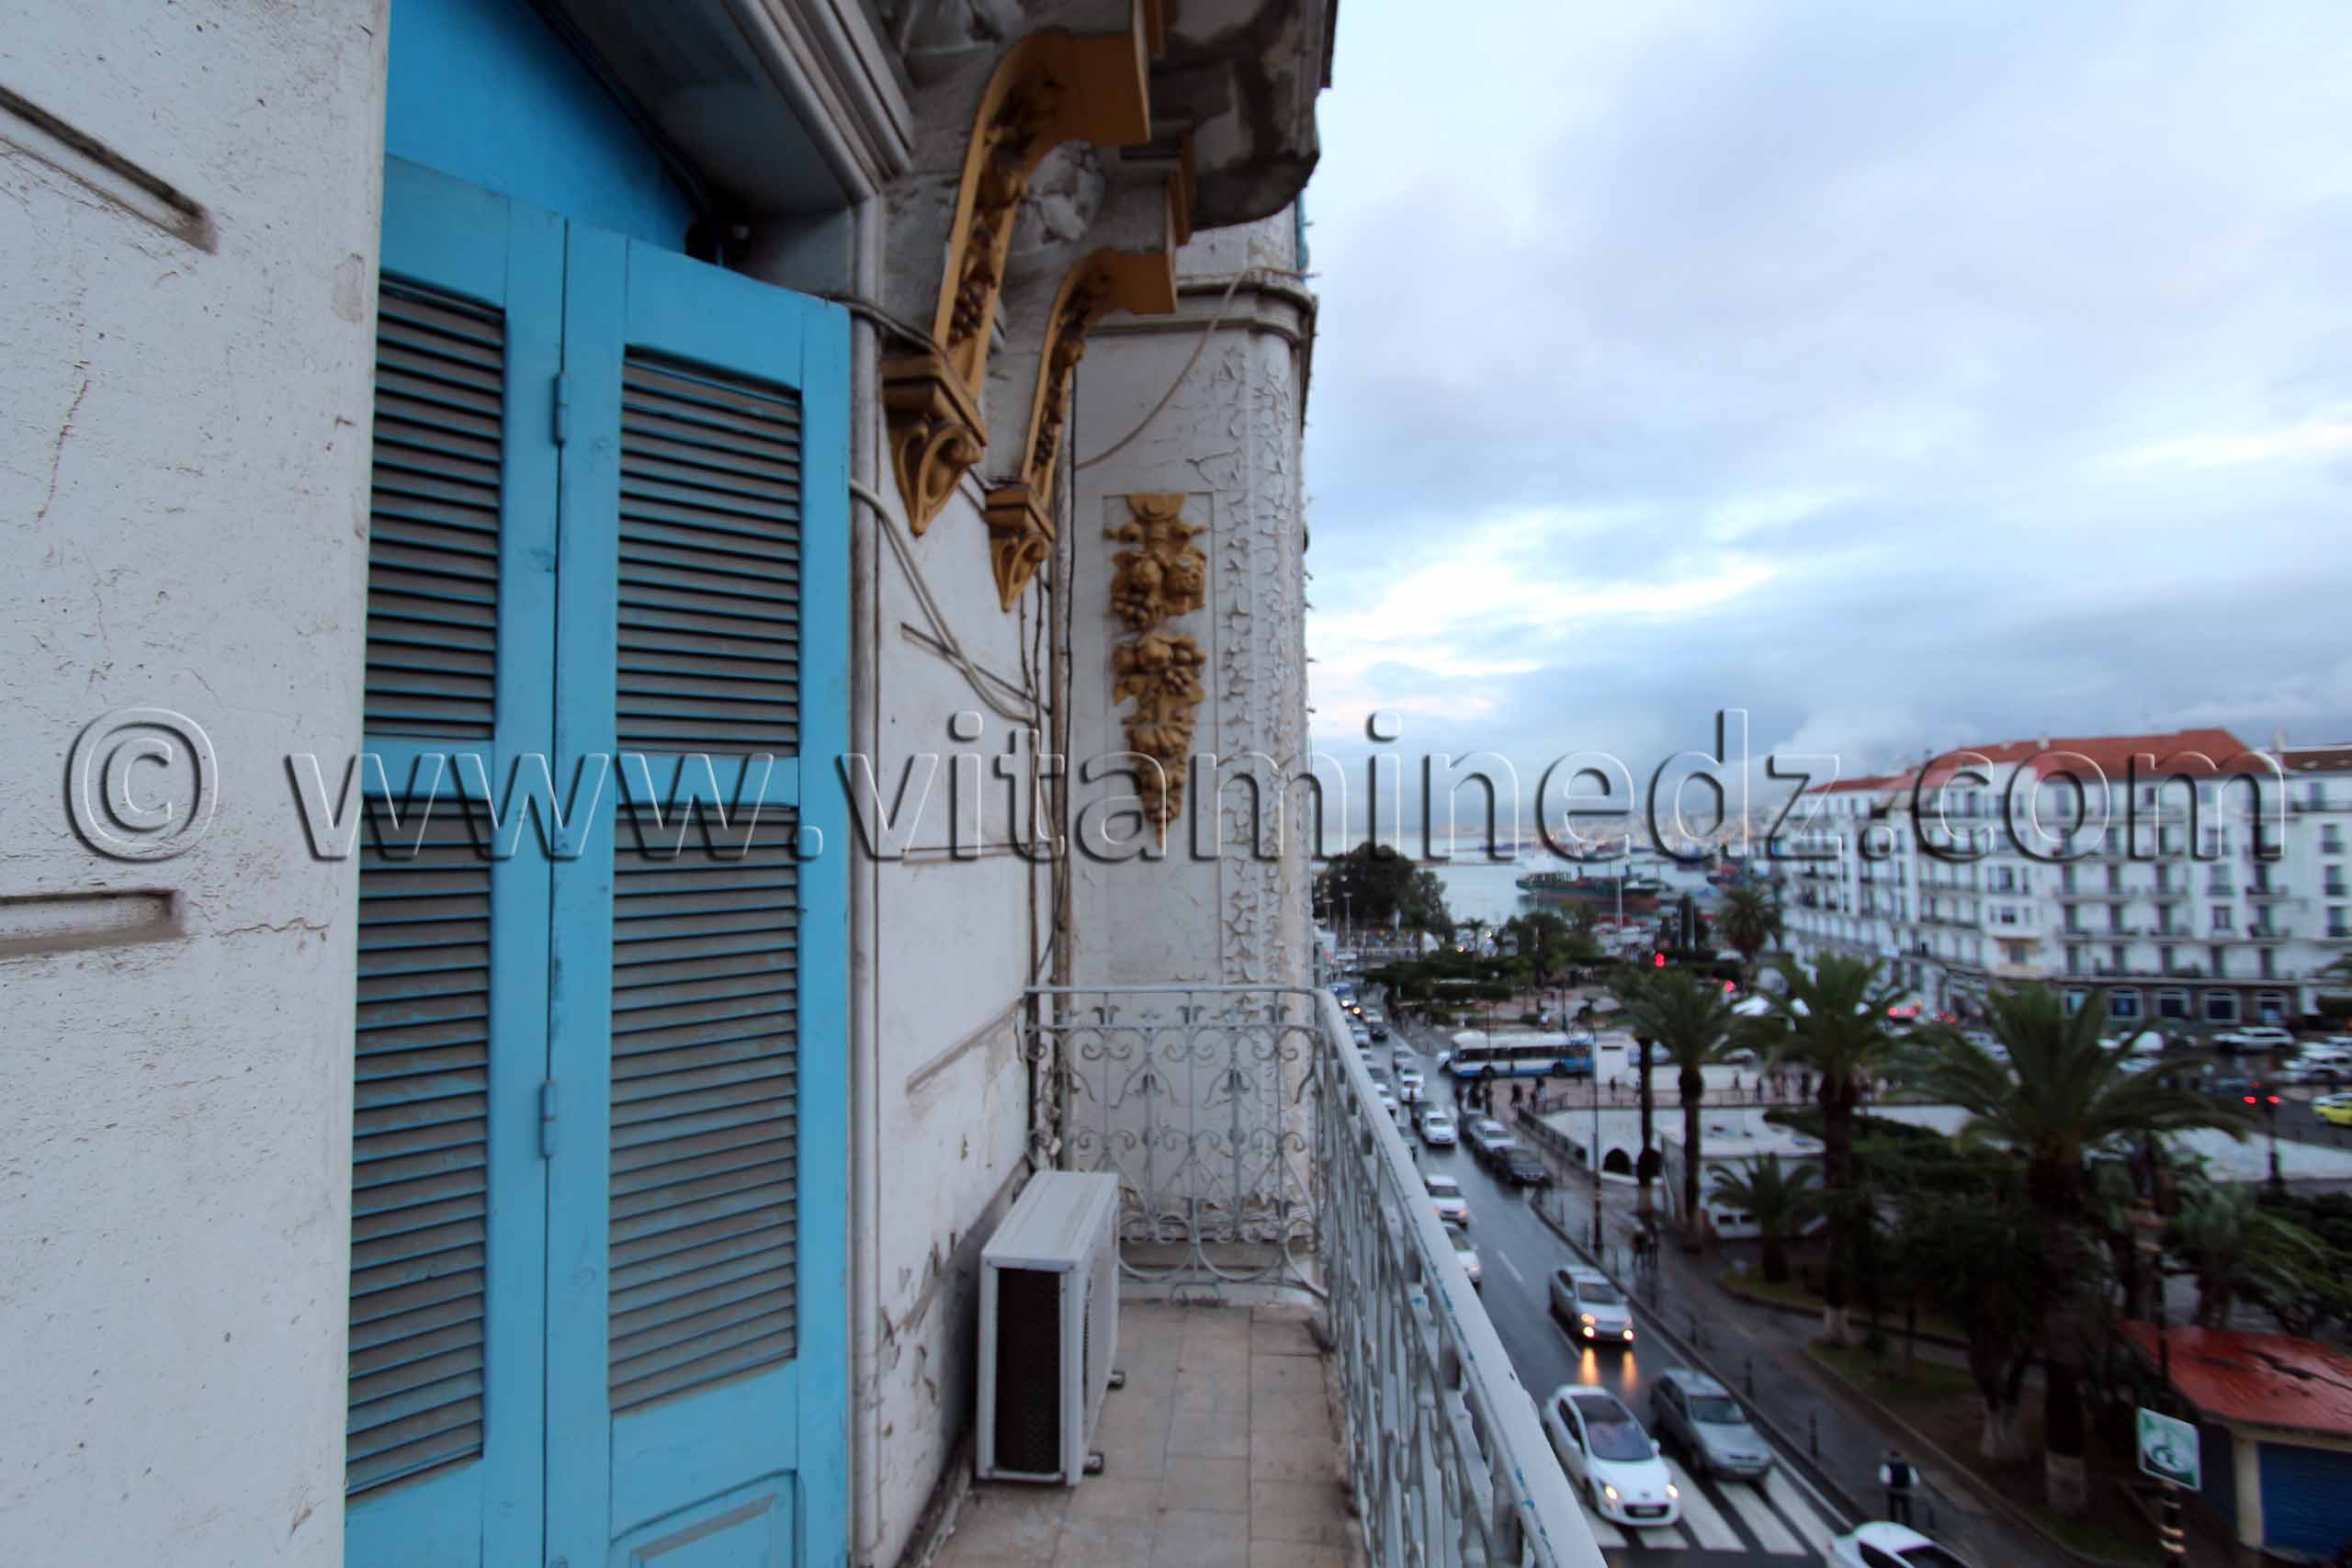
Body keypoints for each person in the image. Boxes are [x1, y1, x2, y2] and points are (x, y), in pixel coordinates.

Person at [1879, 1449, 1916, 1526]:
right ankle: (1908, 1525)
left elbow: (1885, 1479)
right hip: (1904, 1490)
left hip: (1893, 1490)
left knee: (1892, 1508)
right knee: (1906, 1508)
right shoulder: (1907, 1466)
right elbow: (1914, 1480)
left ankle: (1893, 1524)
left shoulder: (1888, 1466)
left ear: (1891, 1456)